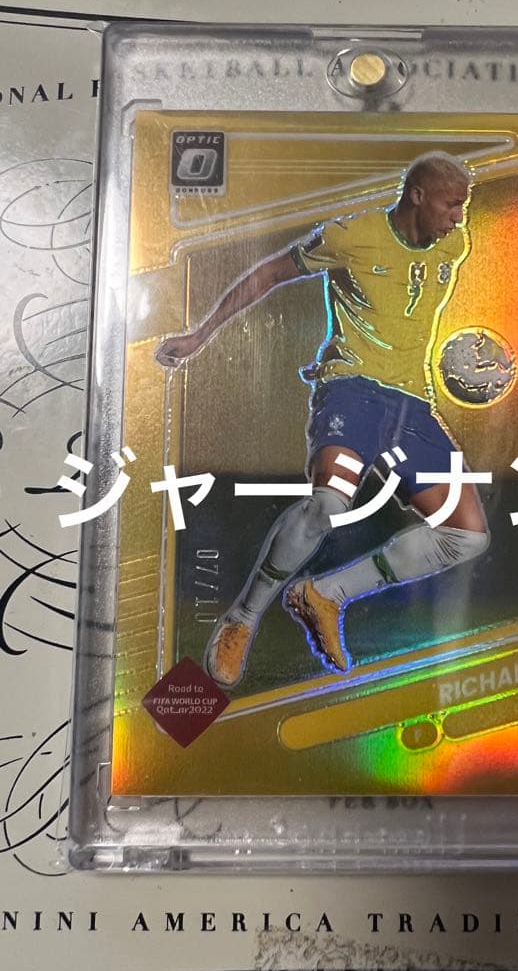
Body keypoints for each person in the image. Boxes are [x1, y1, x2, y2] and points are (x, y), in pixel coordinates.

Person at [156, 151, 489, 687]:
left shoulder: (454, 244)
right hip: (351, 389)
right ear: (417, 196)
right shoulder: (350, 236)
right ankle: (243, 618)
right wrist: (199, 336)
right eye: (452, 205)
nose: (459, 218)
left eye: (463, 208)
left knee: (467, 537)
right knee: (330, 503)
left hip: (411, 404)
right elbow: (270, 273)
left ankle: (325, 595)